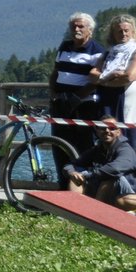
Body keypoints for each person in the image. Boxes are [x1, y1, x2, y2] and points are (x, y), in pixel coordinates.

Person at [91, 14, 136, 157]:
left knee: (129, 145)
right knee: (106, 141)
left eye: (126, 30)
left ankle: (130, 179)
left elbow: (129, 76)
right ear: (113, 34)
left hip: (129, 106)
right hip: (107, 102)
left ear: (133, 32)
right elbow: (92, 75)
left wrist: (103, 79)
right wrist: (112, 76)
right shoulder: (107, 54)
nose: (123, 33)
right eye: (119, 31)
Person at [49, 12, 105, 162]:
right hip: (60, 104)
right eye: (73, 26)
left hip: (84, 106)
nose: (76, 29)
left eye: (81, 26)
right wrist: (53, 92)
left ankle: (83, 183)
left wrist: (75, 97)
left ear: (90, 30)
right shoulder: (64, 46)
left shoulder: (98, 51)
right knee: (59, 144)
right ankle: (63, 183)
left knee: (83, 146)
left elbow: (95, 82)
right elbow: (56, 71)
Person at [64, 122, 136, 213]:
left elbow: (114, 169)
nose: (107, 131)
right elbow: (72, 164)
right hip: (102, 185)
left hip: (129, 193)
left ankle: (96, 215)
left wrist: (90, 175)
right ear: (97, 131)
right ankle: (74, 213)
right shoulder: (96, 149)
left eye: (112, 128)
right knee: (76, 176)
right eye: (102, 128)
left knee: (109, 177)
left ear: (118, 132)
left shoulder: (125, 149)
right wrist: (72, 173)